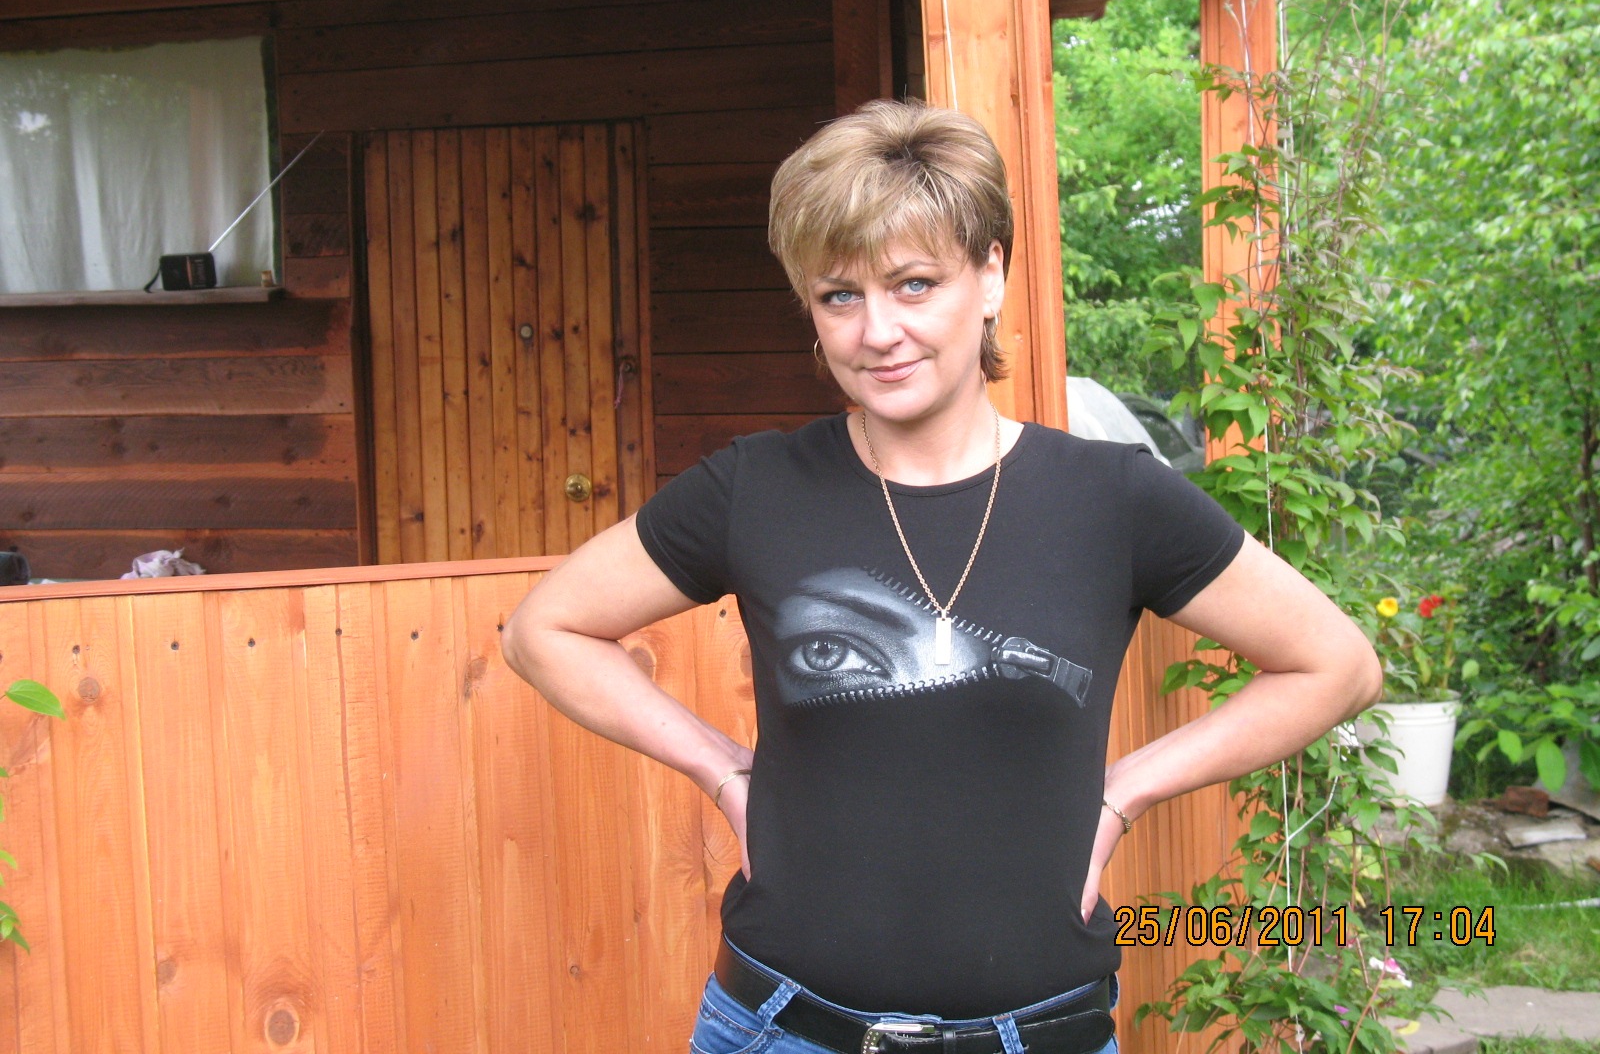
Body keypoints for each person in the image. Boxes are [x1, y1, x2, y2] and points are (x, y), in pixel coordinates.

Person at [501, 100, 1382, 1054]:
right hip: (783, 1030)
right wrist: (720, 769)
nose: (878, 331)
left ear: (991, 274)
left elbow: (1336, 665)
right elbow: (544, 629)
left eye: (914, 284)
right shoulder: (753, 488)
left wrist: (1125, 792)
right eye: (839, 296)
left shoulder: (1110, 497)